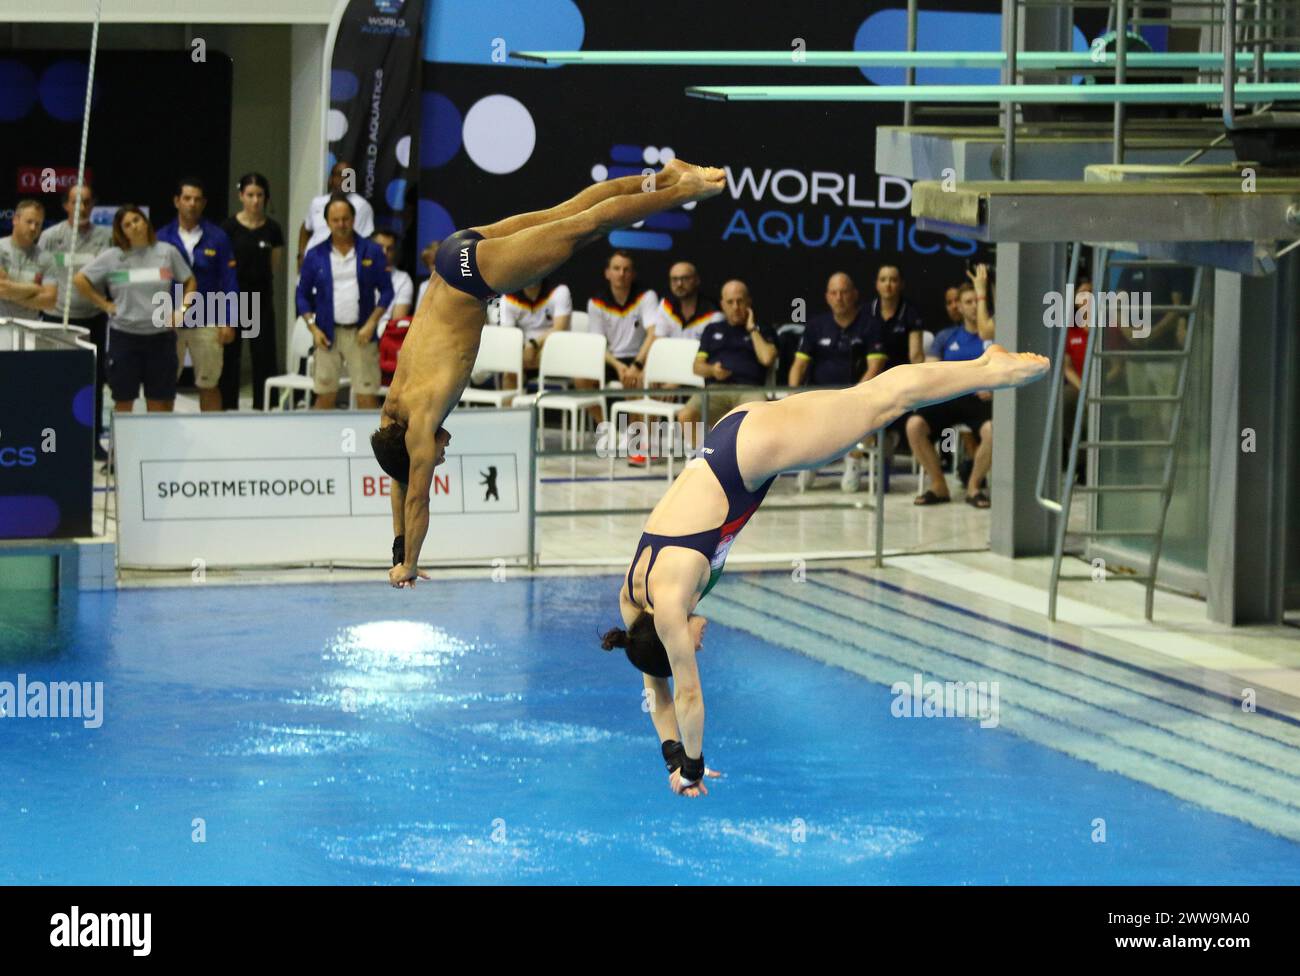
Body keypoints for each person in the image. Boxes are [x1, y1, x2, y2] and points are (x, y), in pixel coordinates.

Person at [602, 345, 1050, 796]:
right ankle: (982, 366)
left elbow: (686, 696)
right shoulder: (633, 600)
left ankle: (991, 371)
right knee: (868, 398)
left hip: (755, 451)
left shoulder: (671, 607)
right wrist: (671, 758)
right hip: (733, 436)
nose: (698, 645)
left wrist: (695, 767)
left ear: (668, 635)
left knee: (883, 401)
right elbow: (657, 692)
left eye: (690, 649)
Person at [370, 158, 726, 587]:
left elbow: (416, 499)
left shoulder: (422, 428)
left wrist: (409, 563)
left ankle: (683, 191)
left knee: (586, 224)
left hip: (474, 277)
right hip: (453, 256)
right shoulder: (392, 416)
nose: (439, 458)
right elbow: (399, 481)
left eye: (432, 460)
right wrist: (396, 549)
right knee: (571, 212)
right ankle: (667, 175)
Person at [75, 205, 196, 414]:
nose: (134, 226)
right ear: (121, 231)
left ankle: (156, 447)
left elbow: (190, 281)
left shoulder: (167, 252)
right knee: (124, 403)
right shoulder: (113, 256)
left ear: (145, 221)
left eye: (137, 220)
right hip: (125, 338)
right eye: (127, 225)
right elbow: (80, 280)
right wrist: (104, 304)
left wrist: (182, 310)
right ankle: (122, 447)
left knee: (158, 404)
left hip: (160, 338)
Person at [296, 194, 393, 410]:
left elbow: (387, 291)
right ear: (327, 222)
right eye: (335, 220)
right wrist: (313, 328)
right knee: (324, 397)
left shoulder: (372, 251)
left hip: (362, 333)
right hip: (326, 334)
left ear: (354, 218)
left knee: (367, 397)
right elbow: (301, 295)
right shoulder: (315, 254)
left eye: (346, 219)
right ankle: (320, 443)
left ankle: (371, 444)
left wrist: (371, 324)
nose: (341, 224)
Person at [905, 281, 995, 507]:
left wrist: (992, 387)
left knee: (993, 431)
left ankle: (974, 487)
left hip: (979, 399)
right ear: (960, 308)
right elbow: (931, 372)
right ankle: (938, 485)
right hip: (948, 396)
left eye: (977, 301)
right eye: (968, 302)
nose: (974, 306)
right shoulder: (946, 337)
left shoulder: (993, 335)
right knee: (914, 426)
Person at [40, 184, 113, 457]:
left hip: (92, 319)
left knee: (93, 381)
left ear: (93, 205)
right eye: (75, 201)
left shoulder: (105, 238)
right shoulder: (50, 237)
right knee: (55, 381)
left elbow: (113, 273)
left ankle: (92, 442)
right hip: (56, 318)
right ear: (65, 205)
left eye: (86, 201)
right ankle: (53, 441)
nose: (81, 207)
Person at [157, 177, 238, 412]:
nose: (192, 204)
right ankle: (165, 439)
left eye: (197, 199)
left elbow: (230, 281)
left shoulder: (218, 237)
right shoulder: (161, 237)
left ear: (203, 203)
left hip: (208, 318)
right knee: (164, 385)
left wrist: (229, 320)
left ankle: (212, 441)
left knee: (209, 383)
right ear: (176, 201)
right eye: (187, 198)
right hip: (170, 319)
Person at [787, 271, 870, 491]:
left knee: (871, 412)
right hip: (819, 395)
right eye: (834, 293)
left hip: (856, 395)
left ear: (854, 295)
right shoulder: (816, 325)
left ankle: (853, 462)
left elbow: (875, 367)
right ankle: (811, 460)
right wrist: (792, 394)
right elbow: (799, 365)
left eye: (844, 292)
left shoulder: (870, 324)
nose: (839, 297)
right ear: (827, 297)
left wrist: (857, 394)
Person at [221, 172, 285, 410]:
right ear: (241, 196)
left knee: (264, 356)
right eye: (250, 195)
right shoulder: (228, 228)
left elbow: (273, 266)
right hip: (232, 300)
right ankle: (227, 407)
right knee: (230, 356)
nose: (255, 200)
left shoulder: (273, 229)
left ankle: (265, 406)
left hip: (261, 299)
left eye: (260, 195)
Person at [675, 279, 777, 426]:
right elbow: (697, 367)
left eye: (740, 301)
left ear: (749, 302)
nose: (735, 307)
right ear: (722, 304)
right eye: (730, 302)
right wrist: (712, 370)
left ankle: (743, 450)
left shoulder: (763, 329)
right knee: (686, 416)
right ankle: (703, 449)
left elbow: (767, 359)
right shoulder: (712, 329)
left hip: (749, 390)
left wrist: (752, 329)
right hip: (715, 389)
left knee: (758, 419)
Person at [499, 276, 572, 386]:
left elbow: (559, 328)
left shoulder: (559, 291)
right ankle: (510, 403)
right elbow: (508, 336)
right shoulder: (508, 298)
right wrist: (522, 351)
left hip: (554, 348)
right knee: (510, 371)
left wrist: (534, 344)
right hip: (524, 351)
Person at [298, 159, 375, 262]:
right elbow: (305, 228)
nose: (344, 179)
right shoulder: (317, 202)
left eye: (348, 176)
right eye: (339, 175)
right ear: (331, 179)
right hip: (312, 262)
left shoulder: (362, 206)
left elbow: (366, 239)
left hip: (343, 264)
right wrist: (301, 256)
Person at [0, 199, 57, 321]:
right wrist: (35, 288)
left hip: (30, 331)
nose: (33, 228)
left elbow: (50, 302)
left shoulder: (46, 258)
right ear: (15, 220)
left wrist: (11, 292)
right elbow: (2, 288)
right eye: (29, 222)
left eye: (38, 224)